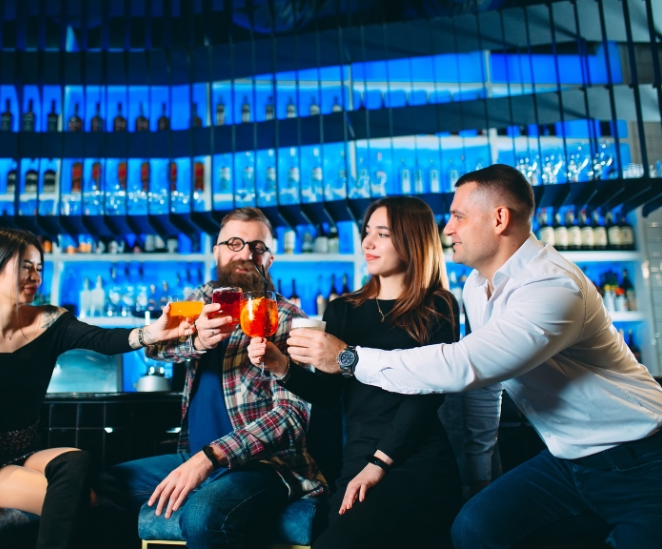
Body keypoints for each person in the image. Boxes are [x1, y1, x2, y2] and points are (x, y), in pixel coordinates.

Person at [290, 164, 662, 549]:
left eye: (458, 216)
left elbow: (462, 366)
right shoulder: (477, 286)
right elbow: (486, 387)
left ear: (500, 219)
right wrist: (480, 475)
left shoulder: (552, 287)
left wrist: (349, 359)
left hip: (641, 460)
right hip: (566, 462)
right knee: (475, 526)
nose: (448, 228)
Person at [248, 196, 498, 548]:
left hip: (415, 459)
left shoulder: (438, 305)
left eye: (382, 233)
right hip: (358, 458)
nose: (367, 242)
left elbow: (426, 396)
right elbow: (328, 396)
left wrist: (379, 463)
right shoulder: (342, 310)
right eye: (367, 232)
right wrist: (282, 367)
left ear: (412, 240)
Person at [0, 228, 191, 549]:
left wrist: (151, 332)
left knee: (78, 460)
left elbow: (102, 339)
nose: (36, 276)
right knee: (89, 502)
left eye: (39, 268)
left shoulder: (48, 321)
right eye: (25, 266)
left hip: (24, 451)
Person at [95, 208, 324, 549]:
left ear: (270, 259)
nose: (246, 253)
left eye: (257, 247)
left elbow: (291, 418)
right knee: (98, 485)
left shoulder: (289, 319)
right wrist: (197, 341)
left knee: (203, 516)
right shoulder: (198, 302)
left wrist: (209, 457)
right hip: (192, 456)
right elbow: (154, 349)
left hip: (265, 466)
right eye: (234, 243)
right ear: (216, 251)